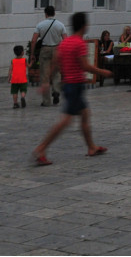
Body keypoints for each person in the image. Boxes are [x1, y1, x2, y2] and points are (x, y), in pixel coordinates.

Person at [32, 12, 113, 166]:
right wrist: (103, 72)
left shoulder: (66, 43)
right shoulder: (79, 43)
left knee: (85, 114)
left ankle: (91, 147)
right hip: (75, 85)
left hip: (70, 85)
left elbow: (55, 63)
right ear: (84, 26)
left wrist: (46, 82)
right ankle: (41, 148)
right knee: (66, 121)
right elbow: (85, 66)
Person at [31, 6, 66, 107]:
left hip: (45, 49)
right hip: (57, 49)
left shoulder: (40, 25)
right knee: (56, 73)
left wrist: (32, 54)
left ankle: (46, 101)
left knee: (44, 75)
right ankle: (56, 90)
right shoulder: (60, 25)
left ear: (45, 14)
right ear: (54, 13)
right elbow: (65, 39)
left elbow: (34, 40)